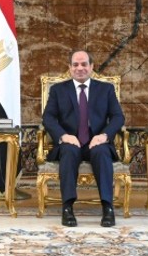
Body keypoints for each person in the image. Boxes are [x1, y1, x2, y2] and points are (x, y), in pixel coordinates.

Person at [42, 50, 125, 227]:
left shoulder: (106, 89)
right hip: (71, 142)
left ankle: (108, 208)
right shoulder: (58, 90)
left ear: (91, 67)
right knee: (69, 152)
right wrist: (63, 136)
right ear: (70, 68)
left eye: (84, 64)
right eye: (76, 65)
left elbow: (118, 117)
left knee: (102, 152)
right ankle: (67, 208)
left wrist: (104, 136)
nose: (80, 68)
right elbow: (48, 118)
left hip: (96, 141)